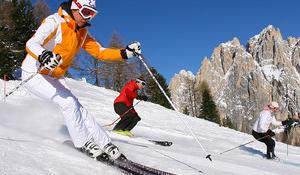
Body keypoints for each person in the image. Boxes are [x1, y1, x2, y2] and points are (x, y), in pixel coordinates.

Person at [21, 0, 142, 161]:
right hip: (34, 72)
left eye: (92, 14)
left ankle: (105, 143)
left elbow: (100, 52)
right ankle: (83, 142)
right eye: (86, 12)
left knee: (79, 109)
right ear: (74, 7)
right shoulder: (54, 22)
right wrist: (44, 55)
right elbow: (32, 43)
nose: (88, 18)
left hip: (54, 76)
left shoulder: (82, 32)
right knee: (69, 104)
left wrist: (124, 53)